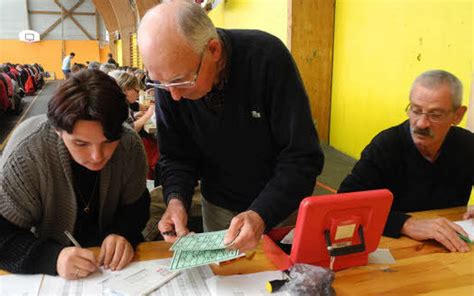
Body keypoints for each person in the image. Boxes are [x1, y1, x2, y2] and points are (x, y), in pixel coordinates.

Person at [137, 1, 324, 252]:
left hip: (281, 206)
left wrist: (262, 213)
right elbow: (176, 156)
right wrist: (176, 200)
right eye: (159, 82)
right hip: (218, 207)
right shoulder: (170, 82)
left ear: (213, 50)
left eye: (181, 81)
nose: (174, 97)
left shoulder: (266, 58)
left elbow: (302, 156)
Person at [0, 69, 150, 279]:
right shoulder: (27, 153)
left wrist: (123, 233)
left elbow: (137, 206)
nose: (97, 156)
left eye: (108, 142)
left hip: (115, 270)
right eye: (81, 143)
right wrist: (52, 258)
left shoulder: (129, 144)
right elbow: (3, 236)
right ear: (57, 130)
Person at [339, 69, 474, 253]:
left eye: (435, 115)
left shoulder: (467, 145)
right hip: (391, 248)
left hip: (450, 249)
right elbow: (344, 204)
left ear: (458, 115)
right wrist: (405, 224)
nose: (421, 123)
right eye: (416, 110)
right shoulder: (386, 145)